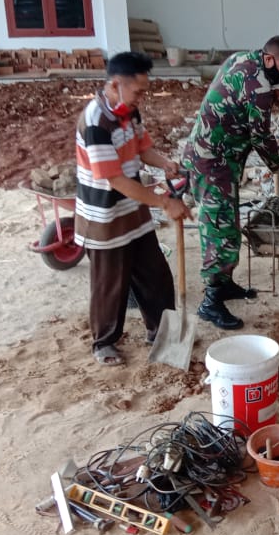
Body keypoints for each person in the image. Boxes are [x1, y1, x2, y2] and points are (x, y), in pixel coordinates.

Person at [74, 51, 191, 366]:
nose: (143, 97)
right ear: (115, 84)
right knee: (110, 284)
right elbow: (115, 180)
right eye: (138, 90)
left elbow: (142, 149)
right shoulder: (95, 122)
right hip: (104, 215)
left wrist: (165, 163)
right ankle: (104, 342)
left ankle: (160, 331)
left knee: (155, 274)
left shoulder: (130, 112)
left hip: (133, 209)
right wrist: (165, 202)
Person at [182, 35, 279, 330]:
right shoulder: (259, 87)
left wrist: (271, 94)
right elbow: (260, 136)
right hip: (213, 162)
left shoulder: (243, 59)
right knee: (220, 231)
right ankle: (210, 302)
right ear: (270, 59)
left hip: (215, 155)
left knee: (228, 225)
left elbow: (240, 89)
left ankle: (224, 285)